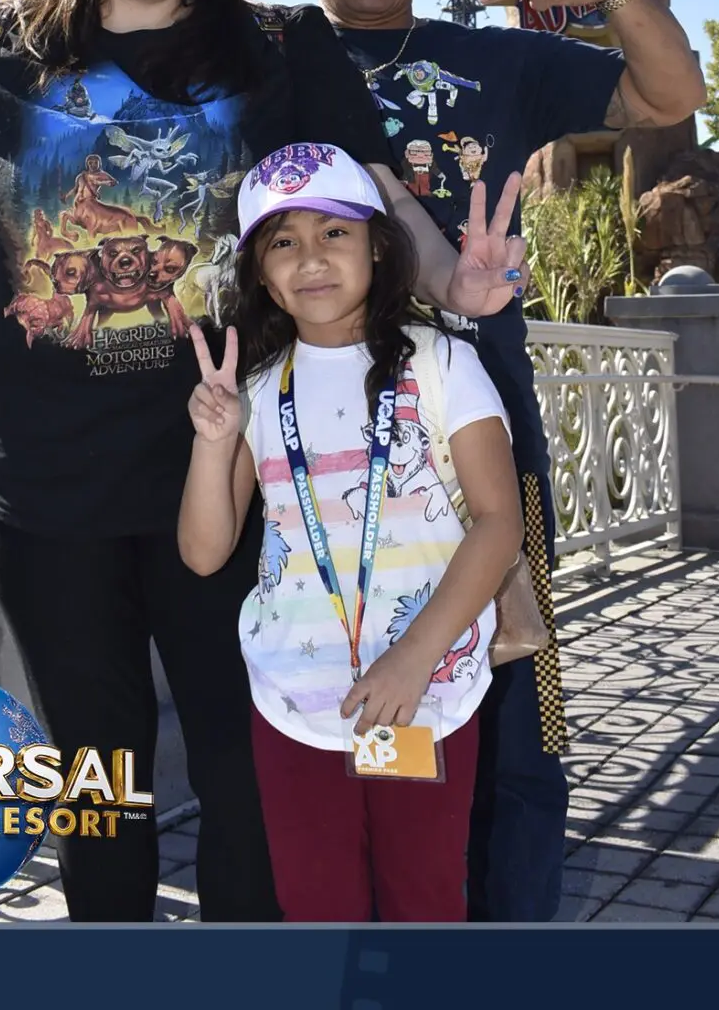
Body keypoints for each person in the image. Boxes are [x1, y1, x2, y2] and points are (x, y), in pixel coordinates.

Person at [0, 0, 706, 921]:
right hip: (243, 456)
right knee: (230, 766)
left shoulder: (458, 58)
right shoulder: (263, 46)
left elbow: (666, 97)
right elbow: (83, 17)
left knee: (501, 735)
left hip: (441, 436)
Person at [177, 144, 523, 922]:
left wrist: (411, 659)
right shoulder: (260, 390)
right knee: (315, 908)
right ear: (258, 273)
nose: (311, 259)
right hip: (294, 703)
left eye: (333, 233)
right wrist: (213, 439)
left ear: (376, 244)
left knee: (424, 899)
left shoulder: (443, 363)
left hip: (425, 690)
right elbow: (203, 552)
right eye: (283, 241)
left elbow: (498, 524)